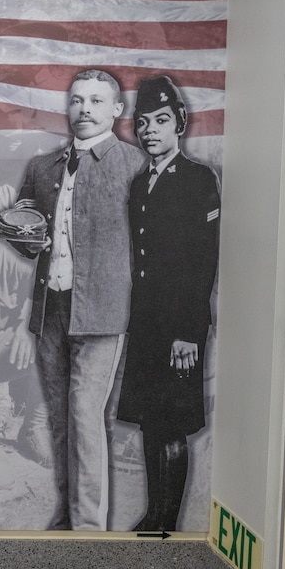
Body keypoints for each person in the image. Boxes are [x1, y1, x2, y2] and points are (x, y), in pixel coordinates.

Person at [3, 68, 146, 530]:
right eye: (77, 100)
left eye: (96, 101)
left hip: (103, 312)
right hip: (51, 309)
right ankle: (68, 517)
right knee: (61, 419)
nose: (84, 109)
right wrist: (24, 236)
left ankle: (88, 529)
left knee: (85, 414)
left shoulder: (135, 166)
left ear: (116, 110)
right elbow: (22, 226)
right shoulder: (43, 167)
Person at [117, 75, 220, 531]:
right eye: (143, 122)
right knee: (148, 420)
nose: (150, 130)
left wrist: (188, 333)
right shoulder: (142, 184)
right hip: (146, 324)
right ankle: (153, 513)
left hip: (178, 326)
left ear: (179, 123)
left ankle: (166, 522)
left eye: (161, 120)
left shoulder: (197, 179)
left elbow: (201, 264)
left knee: (172, 423)